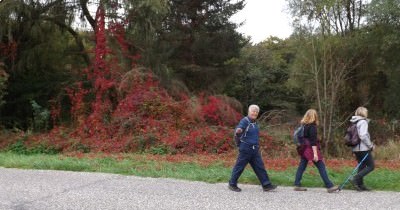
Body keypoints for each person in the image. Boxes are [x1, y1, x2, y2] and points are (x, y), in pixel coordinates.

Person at [228, 104, 277, 192]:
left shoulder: (254, 122)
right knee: (239, 167)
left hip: (254, 149)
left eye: (256, 112)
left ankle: (266, 185)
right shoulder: (245, 121)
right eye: (253, 111)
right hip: (246, 148)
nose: (255, 113)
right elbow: (238, 130)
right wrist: (239, 131)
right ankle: (232, 184)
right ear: (249, 112)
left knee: (260, 167)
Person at [293, 109, 338, 193]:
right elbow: (313, 142)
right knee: (321, 166)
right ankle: (329, 186)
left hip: (303, 148)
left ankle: (297, 184)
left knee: (302, 166)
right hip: (310, 149)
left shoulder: (304, 126)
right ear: (315, 116)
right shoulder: (312, 127)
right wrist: (315, 154)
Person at [349, 106, 375, 191]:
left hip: (356, 148)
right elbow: (363, 135)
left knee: (362, 165)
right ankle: (355, 178)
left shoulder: (354, 122)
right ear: (364, 113)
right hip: (363, 148)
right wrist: (370, 145)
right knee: (371, 166)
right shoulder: (363, 122)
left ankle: (360, 185)